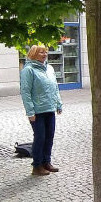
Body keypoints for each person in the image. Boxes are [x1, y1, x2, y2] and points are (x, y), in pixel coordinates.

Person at [20, 45, 63, 176]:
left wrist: (58, 103)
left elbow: (55, 87)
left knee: (49, 137)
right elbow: (25, 92)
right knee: (40, 137)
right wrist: (30, 112)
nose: (44, 54)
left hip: (49, 108)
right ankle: (37, 165)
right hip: (37, 110)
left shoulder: (49, 68)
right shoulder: (29, 70)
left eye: (46, 52)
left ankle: (46, 161)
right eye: (41, 52)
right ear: (33, 54)